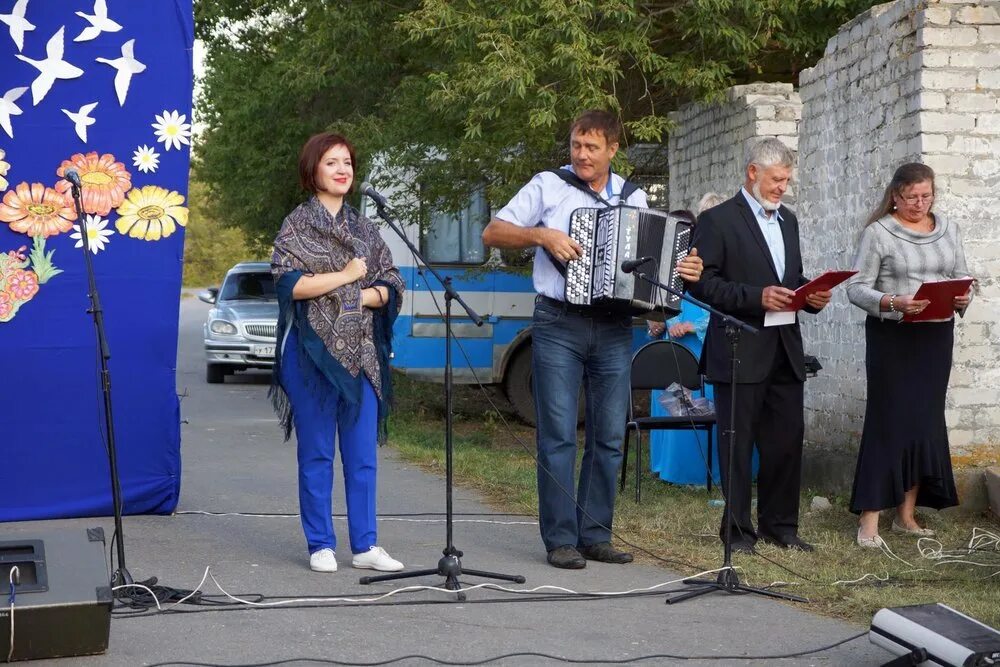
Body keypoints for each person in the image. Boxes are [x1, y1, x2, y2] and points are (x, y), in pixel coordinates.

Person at [482, 110, 704, 569]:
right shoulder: (548, 185)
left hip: (615, 327)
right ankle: (561, 539)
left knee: (609, 435)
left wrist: (686, 271)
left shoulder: (634, 197)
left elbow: (657, 264)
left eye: (591, 147)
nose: (581, 155)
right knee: (559, 435)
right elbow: (493, 232)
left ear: (613, 150)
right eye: (576, 145)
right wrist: (540, 235)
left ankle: (594, 533)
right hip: (558, 321)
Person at [270, 132, 407, 574]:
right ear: (313, 171)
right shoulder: (296, 225)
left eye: (347, 162)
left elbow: (391, 285)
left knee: (362, 454)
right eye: (332, 162)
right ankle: (320, 543)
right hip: (310, 357)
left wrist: (357, 296)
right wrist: (348, 276)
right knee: (316, 454)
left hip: (363, 356)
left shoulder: (367, 229)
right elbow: (292, 286)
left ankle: (366, 544)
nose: (342, 169)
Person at [687, 138, 831, 553]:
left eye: (787, 180)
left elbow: (793, 277)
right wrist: (756, 297)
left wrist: (812, 294)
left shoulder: (789, 220)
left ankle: (781, 526)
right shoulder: (717, 220)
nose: (783, 187)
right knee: (737, 443)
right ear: (753, 173)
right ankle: (737, 532)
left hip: (786, 347)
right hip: (739, 348)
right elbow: (702, 283)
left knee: (786, 441)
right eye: (776, 179)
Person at [845, 163, 973, 548]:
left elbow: (962, 275)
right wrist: (891, 301)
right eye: (912, 197)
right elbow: (855, 288)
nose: (920, 203)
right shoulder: (878, 233)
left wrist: (964, 297)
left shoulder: (949, 229)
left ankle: (906, 514)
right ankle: (869, 520)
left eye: (927, 196)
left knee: (924, 422)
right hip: (893, 338)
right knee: (889, 422)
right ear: (896, 196)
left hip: (935, 337)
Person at [647, 207, 716, 486]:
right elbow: (652, 307)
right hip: (669, 348)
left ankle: (696, 472)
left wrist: (691, 326)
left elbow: (722, 307)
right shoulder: (660, 265)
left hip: (698, 348)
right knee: (669, 400)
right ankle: (668, 468)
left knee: (698, 403)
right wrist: (656, 322)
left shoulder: (707, 264)